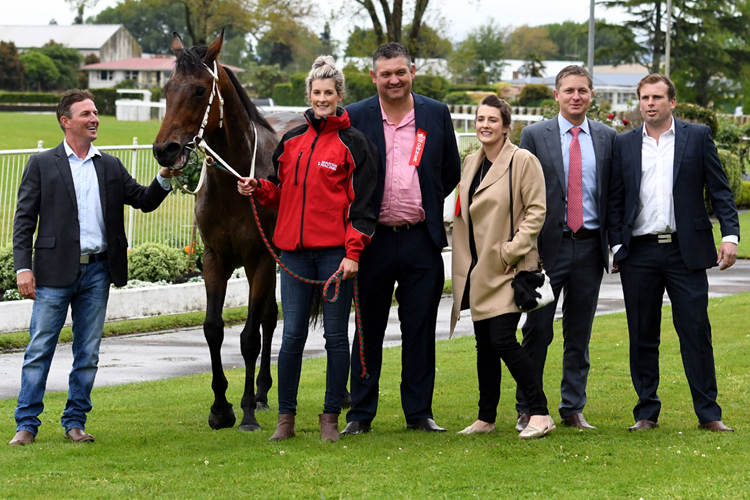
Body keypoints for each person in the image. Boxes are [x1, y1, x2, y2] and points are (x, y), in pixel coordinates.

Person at [9, 89, 180, 447]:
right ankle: (26, 424)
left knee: (87, 353)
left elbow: (144, 201)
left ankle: (75, 421)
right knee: (40, 348)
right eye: (86, 113)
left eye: (96, 112)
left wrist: (165, 175)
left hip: (99, 272)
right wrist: (23, 268)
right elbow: (24, 219)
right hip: (53, 273)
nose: (94, 118)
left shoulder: (110, 165)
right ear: (65, 121)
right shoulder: (42, 163)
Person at [237, 56, 378, 442]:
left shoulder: (355, 144)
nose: (322, 99)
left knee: (336, 338)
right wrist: (259, 189)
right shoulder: (292, 142)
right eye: (316, 93)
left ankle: (330, 417)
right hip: (294, 255)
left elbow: (364, 208)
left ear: (339, 95)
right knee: (292, 337)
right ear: (309, 95)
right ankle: (286, 418)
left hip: (335, 256)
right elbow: (281, 194)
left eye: (328, 93)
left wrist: (353, 253)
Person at [608, 74, 740, 432]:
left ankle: (709, 414)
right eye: (644, 98)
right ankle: (646, 413)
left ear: (672, 102)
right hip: (639, 254)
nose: (649, 103)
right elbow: (615, 199)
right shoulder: (623, 144)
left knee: (696, 332)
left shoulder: (696, 138)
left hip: (687, 252)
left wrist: (730, 235)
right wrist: (618, 246)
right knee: (642, 334)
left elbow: (721, 192)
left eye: (657, 97)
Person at [341, 42, 461, 435]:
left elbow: (449, 173)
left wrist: (421, 197)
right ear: (373, 76)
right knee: (367, 329)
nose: (394, 80)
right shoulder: (354, 116)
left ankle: (419, 413)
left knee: (420, 328)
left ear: (413, 71)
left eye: (401, 72)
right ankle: (360, 414)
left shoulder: (436, 113)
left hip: (420, 240)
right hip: (371, 241)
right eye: (386, 73)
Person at [515, 65, 616, 432]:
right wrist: (526, 247)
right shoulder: (534, 135)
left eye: (583, 91)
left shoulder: (607, 137)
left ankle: (573, 407)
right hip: (545, 252)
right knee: (538, 331)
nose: (576, 96)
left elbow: (614, 196)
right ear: (556, 95)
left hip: (589, 249)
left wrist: (615, 245)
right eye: (569, 90)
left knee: (579, 332)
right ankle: (528, 405)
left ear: (592, 96)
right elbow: (519, 193)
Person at [451, 95, 554, 439]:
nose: (485, 125)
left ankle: (539, 413)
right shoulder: (470, 163)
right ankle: (486, 417)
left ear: (506, 126)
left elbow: (536, 211)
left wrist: (510, 251)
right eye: (480, 118)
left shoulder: (523, 160)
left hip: (509, 270)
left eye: (493, 119)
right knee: (484, 344)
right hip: (478, 268)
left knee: (502, 339)